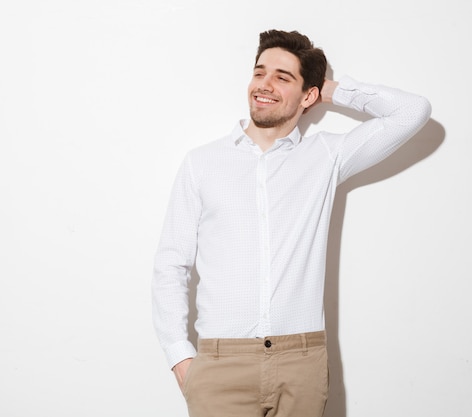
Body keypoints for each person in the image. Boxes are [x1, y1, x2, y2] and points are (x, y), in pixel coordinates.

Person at [152, 29, 431, 417]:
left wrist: (329, 89)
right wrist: (179, 355)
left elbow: (412, 111)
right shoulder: (202, 164)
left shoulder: (327, 156)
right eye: (259, 72)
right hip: (219, 364)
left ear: (308, 96)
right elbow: (171, 264)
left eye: (282, 78)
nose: (264, 85)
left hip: (302, 361)